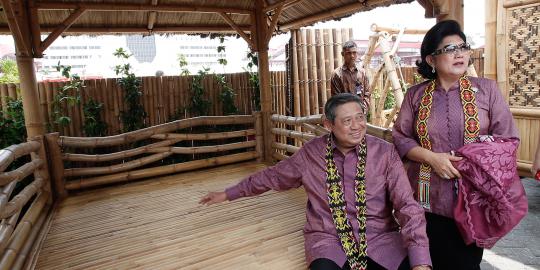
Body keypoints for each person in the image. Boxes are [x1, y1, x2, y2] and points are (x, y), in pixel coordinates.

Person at [200, 93, 431, 270]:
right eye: (347, 120)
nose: (357, 125)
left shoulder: (384, 153)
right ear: (328, 124)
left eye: (360, 117)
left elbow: (407, 206)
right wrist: (228, 193)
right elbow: (271, 177)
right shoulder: (311, 154)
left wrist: (421, 261)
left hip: (378, 238)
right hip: (328, 240)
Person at [392, 20, 519, 270]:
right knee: (427, 260)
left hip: (474, 199)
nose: (460, 53)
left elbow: (508, 139)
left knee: (465, 264)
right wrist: (432, 158)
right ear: (431, 60)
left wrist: (471, 160)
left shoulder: (487, 91)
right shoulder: (415, 96)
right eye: (450, 49)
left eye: (463, 47)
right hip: (427, 199)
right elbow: (400, 137)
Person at [330, 40, 370, 111]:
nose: (352, 56)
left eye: (354, 53)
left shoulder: (362, 73)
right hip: (345, 114)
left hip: (360, 113)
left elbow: (367, 93)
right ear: (343, 54)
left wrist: (363, 110)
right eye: (349, 53)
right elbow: (336, 98)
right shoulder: (336, 74)